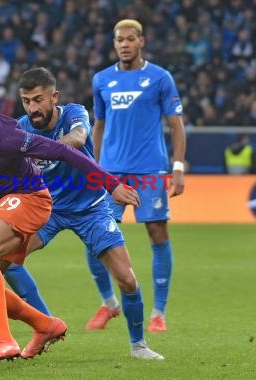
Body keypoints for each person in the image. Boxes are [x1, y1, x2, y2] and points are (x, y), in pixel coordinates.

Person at [0, 66, 140, 365]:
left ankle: (3, 340)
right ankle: (46, 325)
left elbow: (66, 152)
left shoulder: (5, 136)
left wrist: (112, 184)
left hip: (31, 199)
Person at [5, 67, 163, 360]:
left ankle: (139, 345)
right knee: (6, 261)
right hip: (46, 209)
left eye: (38, 99)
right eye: (26, 101)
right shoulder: (20, 128)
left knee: (127, 280)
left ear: (54, 96)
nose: (32, 107)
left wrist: (40, 150)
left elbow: (77, 139)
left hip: (91, 207)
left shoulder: (73, 113)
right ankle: (46, 325)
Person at [92, 19, 187, 333]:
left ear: (141, 41)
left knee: (158, 235)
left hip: (149, 170)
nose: (124, 44)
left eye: (130, 39)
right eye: (119, 39)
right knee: (95, 237)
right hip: (111, 173)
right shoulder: (102, 80)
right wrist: (93, 167)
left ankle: (158, 312)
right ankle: (109, 304)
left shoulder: (160, 78)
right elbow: (99, 126)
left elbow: (176, 126)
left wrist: (178, 167)